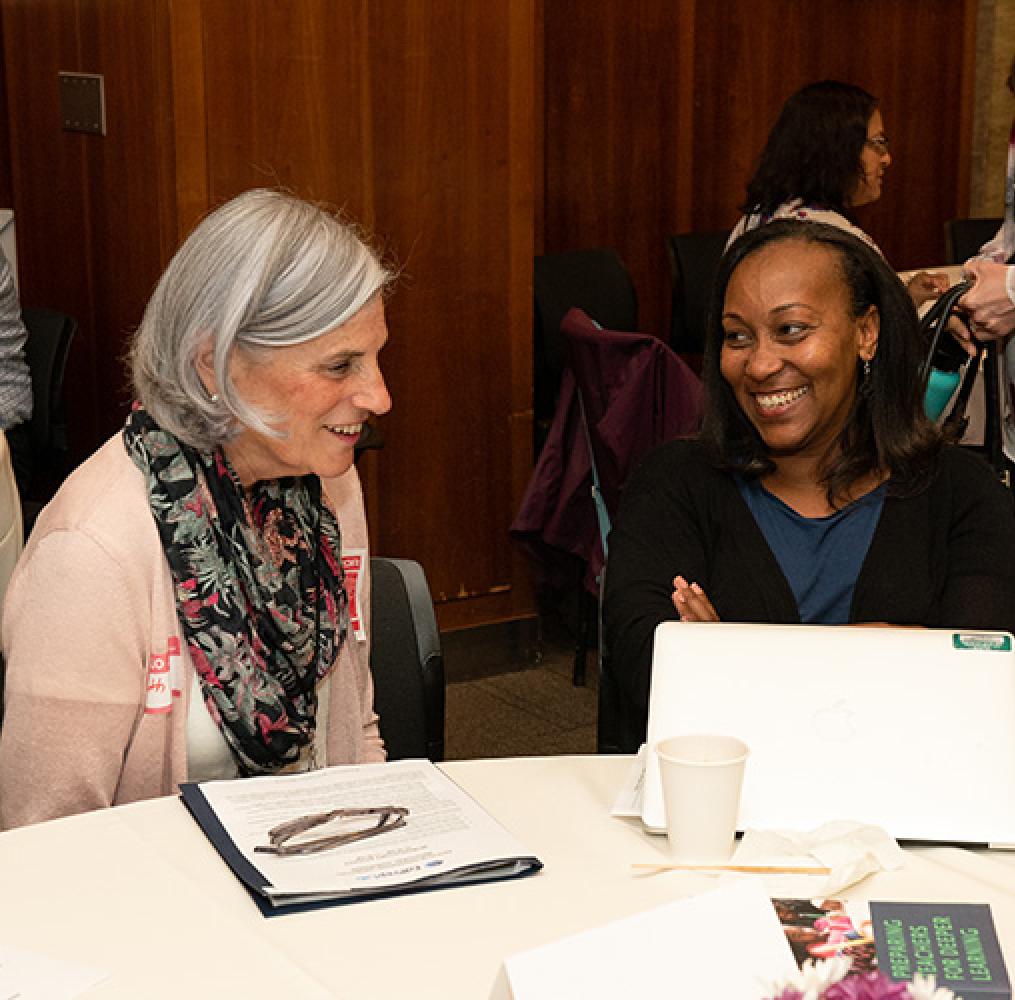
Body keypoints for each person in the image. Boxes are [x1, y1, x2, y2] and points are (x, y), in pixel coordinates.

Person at [0, 189, 393, 829]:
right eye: (340, 365)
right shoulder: (94, 551)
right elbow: (45, 838)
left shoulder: (328, 488)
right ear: (216, 367)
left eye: (376, 357)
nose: (378, 395)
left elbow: (356, 730)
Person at [603, 220, 1015, 750]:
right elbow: (652, 672)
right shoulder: (672, 485)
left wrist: (730, 655)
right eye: (737, 336)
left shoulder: (964, 496)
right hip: (717, 817)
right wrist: (896, 650)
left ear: (866, 333)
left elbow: (976, 686)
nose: (761, 363)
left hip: (906, 822)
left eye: (792, 329)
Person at [729, 80, 946, 308]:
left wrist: (907, 298)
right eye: (878, 143)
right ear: (839, 149)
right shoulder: (833, 241)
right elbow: (869, 337)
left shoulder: (756, 218)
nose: (886, 158)